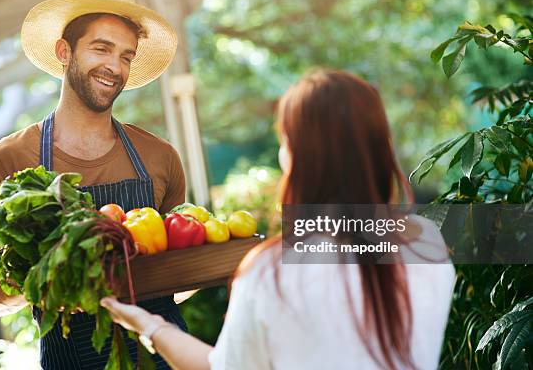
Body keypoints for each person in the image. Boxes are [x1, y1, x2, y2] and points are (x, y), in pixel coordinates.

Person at [100, 69, 456, 370]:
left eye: (286, 141)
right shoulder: (425, 242)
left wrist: (147, 324)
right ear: (379, 146)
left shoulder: (271, 269)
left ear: (299, 156)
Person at [0, 0, 188, 370]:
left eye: (126, 56)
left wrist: (216, 265)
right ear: (64, 51)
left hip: (165, 358)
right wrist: (40, 278)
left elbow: (181, 281)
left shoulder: (160, 156)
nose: (114, 67)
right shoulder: (8, 161)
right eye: (101, 48)